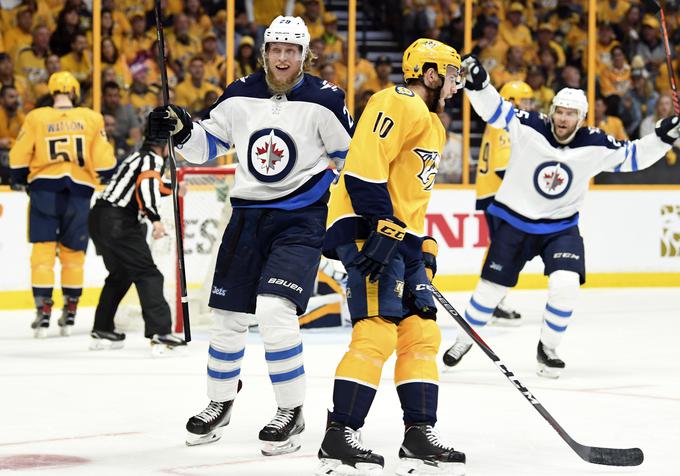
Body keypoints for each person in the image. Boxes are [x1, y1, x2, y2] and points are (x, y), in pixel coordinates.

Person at [147, 16, 353, 455]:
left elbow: (349, 161)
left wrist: (350, 219)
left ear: (304, 55)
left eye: (291, 51)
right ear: (264, 52)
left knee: (276, 311)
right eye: (275, 49)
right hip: (246, 218)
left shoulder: (327, 99)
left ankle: (291, 412)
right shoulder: (238, 92)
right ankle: (218, 403)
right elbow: (206, 147)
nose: (282, 58)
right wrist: (181, 128)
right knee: (227, 319)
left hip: (300, 219)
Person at [442, 56, 680, 378]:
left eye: (571, 114)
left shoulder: (596, 143)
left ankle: (548, 347)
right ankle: (463, 340)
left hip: (561, 226)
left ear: (581, 118)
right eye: (560, 111)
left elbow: (634, 157)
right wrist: (479, 83)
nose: (563, 119)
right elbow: (495, 109)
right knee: (490, 289)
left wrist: (662, 138)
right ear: (552, 111)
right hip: (515, 220)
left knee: (566, 284)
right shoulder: (530, 125)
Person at [316, 38, 466, 476]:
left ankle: (419, 433)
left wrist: (423, 245)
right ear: (432, 74)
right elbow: (364, 166)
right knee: (377, 330)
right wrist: (381, 225)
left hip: (401, 238)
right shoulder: (395, 99)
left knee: (421, 333)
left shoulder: (434, 125)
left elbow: (412, 197)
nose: (457, 84)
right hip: (369, 230)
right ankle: (339, 434)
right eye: (452, 75)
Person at [9, 72, 116, 338]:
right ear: (75, 92)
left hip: (45, 189)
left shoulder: (36, 117)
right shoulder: (91, 117)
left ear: (52, 90)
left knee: (43, 253)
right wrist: (105, 176)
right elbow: (104, 160)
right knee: (73, 254)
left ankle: (43, 310)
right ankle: (70, 309)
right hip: (79, 192)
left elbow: (18, 154)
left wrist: (19, 177)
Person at [88, 135, 187, 354]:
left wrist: (174, 187)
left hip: (99, 217)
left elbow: (149, 184)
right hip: (118, 221)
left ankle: (102, 328)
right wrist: (155, 218)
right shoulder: (153, 160)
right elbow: (146, 186)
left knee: (120, 275)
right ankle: (161, 333)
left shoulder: (137, 158)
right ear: (162, 146)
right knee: (148, 274)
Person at [467, 80, 535, 331]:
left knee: (502, 248)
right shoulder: (505, 125)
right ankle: (491, 301)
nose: (529, 106)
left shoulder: (498, 123)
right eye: (525, 101)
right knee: (503, 250)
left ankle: (493, 300)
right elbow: (502, 167)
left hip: (492, 193)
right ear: (513, 102)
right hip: (499, 196)